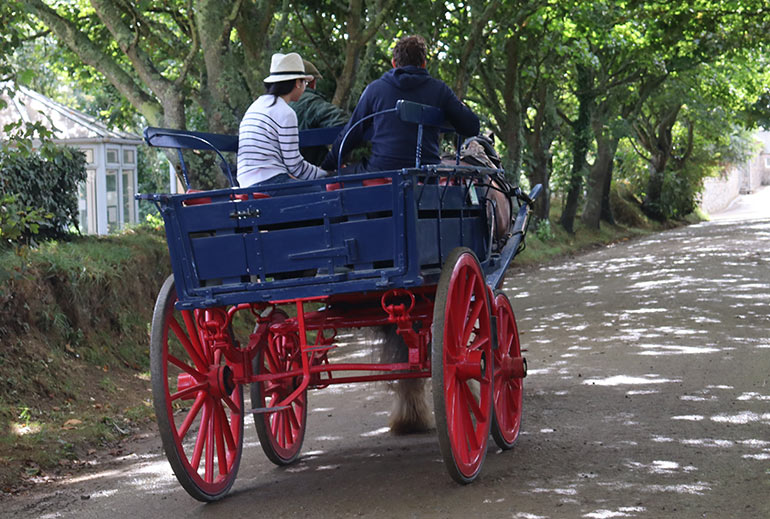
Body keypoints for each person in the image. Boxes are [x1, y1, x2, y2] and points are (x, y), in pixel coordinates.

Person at [321, 35, 480, 173]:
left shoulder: (375, 89)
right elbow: (472, 127)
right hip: (426, 173)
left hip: (382, 169)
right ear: (423, 63)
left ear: (394, 63)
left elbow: (352, 132)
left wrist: (327, 166)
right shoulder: (439, 90)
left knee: (338, 176)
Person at [237, 52, 331, 187]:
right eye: (304, 82)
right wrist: (324, 173)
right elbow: (295, 166)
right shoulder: (285, 112)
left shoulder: (257, 105)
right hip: (269, 181)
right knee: (326, 194)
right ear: (298, 83)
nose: (305, 87)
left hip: (247, 182)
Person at [289, 59, 349, 165]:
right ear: (312, 83)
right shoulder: (310, 102)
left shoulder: (267, 105)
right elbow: (344, 122)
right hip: (309, 173)